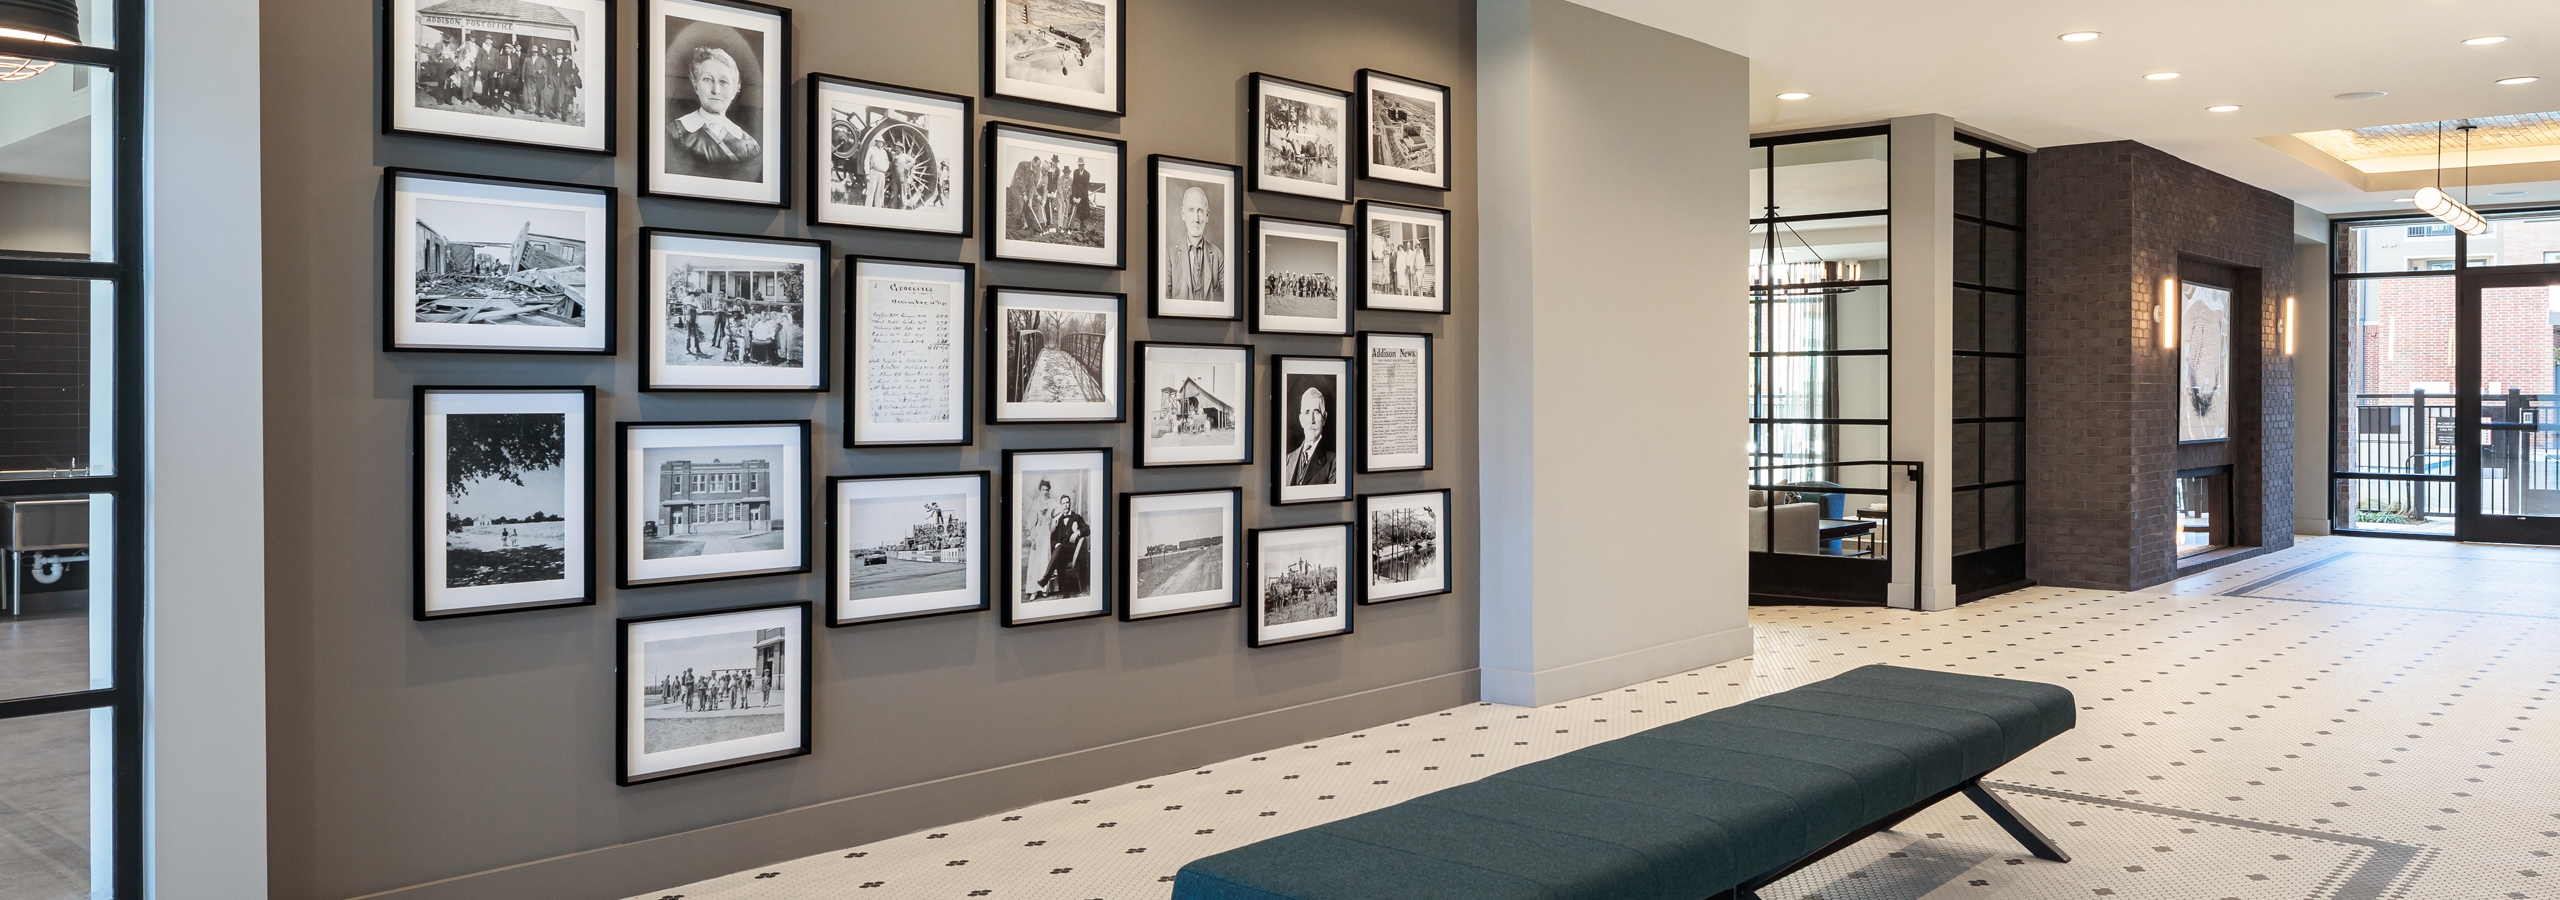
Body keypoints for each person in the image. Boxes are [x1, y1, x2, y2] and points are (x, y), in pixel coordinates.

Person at [665, 46, 761, 182]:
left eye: (723, 81)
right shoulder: (675, 132)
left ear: (735, 89)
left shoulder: (749, 145)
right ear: (696, 85)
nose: (716, 90)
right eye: (707, 79)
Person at [1165, 186, 1224, 301]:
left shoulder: (1218, 256)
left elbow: (1225, 301)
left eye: (1200, 211)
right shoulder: (1169, 255)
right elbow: (1165, 299)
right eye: (1191, 210)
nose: (1196, 219)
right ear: (1183, 214)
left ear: (1207, 215)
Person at [1038, 494, 1091, 599]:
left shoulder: (1076, 518)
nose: (1066, 505)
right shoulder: (1059, 520)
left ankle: (1045, 578)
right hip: (1061, 550)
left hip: (1073, 550)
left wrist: (1078, 532)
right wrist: (1056, 544)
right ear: (1061, 505)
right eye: (1063, 503)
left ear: (1070, 504)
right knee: (1060, 557)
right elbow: (1053, 538)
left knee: (1060, 550)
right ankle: (1065, 593)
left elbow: (1087, 529)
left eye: (1067, 503)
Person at [1284, 386, 1335, 486]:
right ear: (1301, 420)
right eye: (1307, 412)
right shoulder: (1287, 460)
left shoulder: (1334, 462)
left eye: (1316, 412)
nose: (1311, 420)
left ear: (1324, 418)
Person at [1068, 160, 1093, 231]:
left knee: (1083, 211)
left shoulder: (1087, 174)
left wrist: (1080, 198)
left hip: (1083, 195)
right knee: (1073, 209)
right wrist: (1074, 196)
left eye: (1081, 165)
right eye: (1079, 165)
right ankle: (1071, 225)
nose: (1080, 167)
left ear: (1083, 165)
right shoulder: (1075, 172)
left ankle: (1082, 225)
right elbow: (1074, 184)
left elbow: (1085, 188)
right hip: (1075, 193)